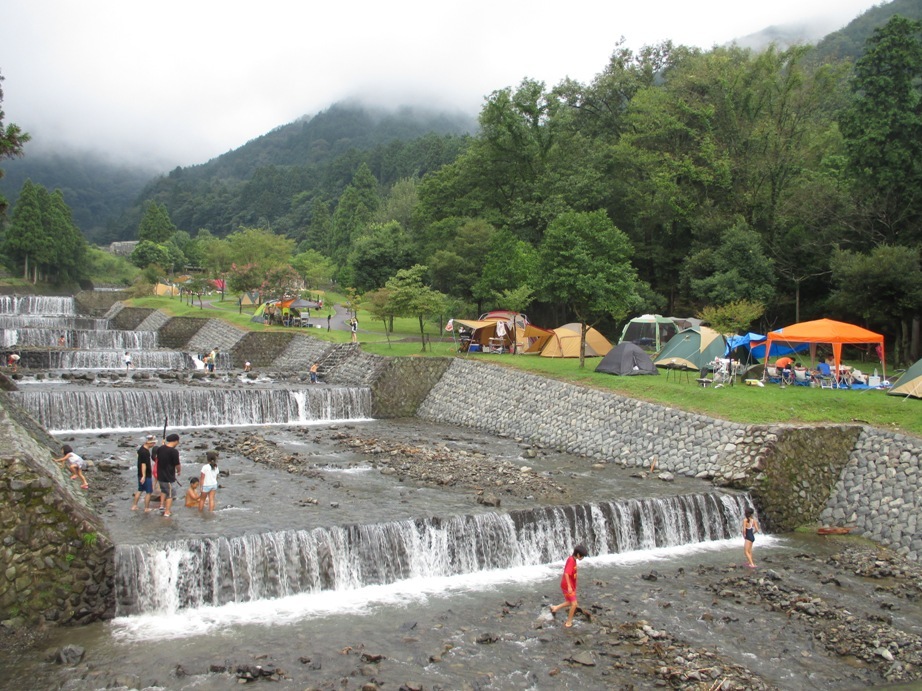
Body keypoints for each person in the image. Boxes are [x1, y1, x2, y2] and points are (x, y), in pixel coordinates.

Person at [550, 544, 588, 627]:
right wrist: (569, 587)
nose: (583, 558)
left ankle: (555, 608)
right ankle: (568, 622)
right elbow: (566, 573)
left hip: (568, 585)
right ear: (578, 555)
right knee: (574, 604)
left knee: (569, 602)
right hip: (567, 585)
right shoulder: (571, 560)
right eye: (582, 556)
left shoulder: (573, 559)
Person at [156, 433, 182, 518]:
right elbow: (177, 464)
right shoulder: (174, 452)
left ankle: (161, 506)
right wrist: (179, 471)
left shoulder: (160, 449)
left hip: (160, 475)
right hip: (168, 477)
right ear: (176, 441)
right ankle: (167, 512)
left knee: (163, 491)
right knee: (170, 495)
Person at [130, 435, 157, 511]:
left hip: (140, 474)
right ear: (148, 443)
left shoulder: (141, 449)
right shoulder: (145, 452)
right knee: (149, 492)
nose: (153, 445)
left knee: (140, 490)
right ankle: (146, 508)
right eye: (152, 443)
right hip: (145, 475)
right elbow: (143, 464)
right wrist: (144, 476)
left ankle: (134, 505)